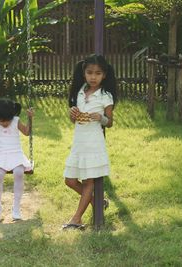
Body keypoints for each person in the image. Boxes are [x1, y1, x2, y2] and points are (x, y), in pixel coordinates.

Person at [63, 54, 117, 230]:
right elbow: (75, 120)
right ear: (84, 73)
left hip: (94, 143)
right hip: (79, 143)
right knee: (69, 180)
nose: (93, 77)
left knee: (88, 182)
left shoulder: (105, 96)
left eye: (98, 73)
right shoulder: (80, 92)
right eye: (90, 73)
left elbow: (109, 123)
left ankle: (76, 219)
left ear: (104, 75)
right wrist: (72, 115)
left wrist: (100, 117)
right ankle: (97, 202)